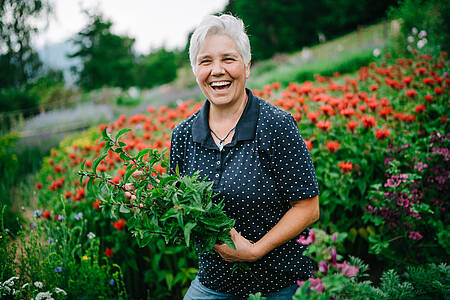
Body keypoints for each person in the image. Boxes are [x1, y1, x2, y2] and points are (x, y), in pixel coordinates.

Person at [169, 14, 320, 300]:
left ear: (247, 67)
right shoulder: (183, 135)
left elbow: (308, 207)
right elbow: (178, 204)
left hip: (280, 283)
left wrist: (254, 250)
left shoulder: (276, 125)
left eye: (228, 59)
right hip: (213, 284)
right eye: (205, 61)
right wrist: (145, 199)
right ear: (195, 70)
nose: (217, 70)